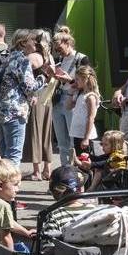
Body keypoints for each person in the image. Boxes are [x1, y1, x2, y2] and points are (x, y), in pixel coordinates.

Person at [0, 29, 47, 167]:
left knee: (4, 154)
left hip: (1, 112)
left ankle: (1, 184)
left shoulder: (8, 58)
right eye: (32, 40)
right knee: (14, 155)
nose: (35, 43)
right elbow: (30, 87)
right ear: (23, 42)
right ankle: (10, 186)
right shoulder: (22, 60)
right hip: (15, 111)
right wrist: (43, 77)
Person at [24, 30, 58, 180]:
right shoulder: (49, 56)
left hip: (37, 96)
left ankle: (37, 171)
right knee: (46, 132)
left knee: (35, 131)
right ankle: (47, 169)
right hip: (47, 96)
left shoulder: (33, 57)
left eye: (30, 38)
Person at [50, 32, 87, 167]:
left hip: (73, 100)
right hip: (57, 99)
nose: (58, 51)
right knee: (61, 142)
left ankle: (75, 171)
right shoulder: (59, 59)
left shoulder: (81, 59)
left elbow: (87, 84)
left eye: (59, 48)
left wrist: (70, 80)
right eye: (56, 49)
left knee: (73, 140)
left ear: (68, 43)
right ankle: (65, 170)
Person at [38, 165, 95, 238]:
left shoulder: (53, 215)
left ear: (54, 192)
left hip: (65, 249)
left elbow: (49, 244)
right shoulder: (93, 210)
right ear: (81, 190)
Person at [65, 65, 100, 168]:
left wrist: (86, 138)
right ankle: (82, 182)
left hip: (85, 135)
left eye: (77, 79)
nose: (75, 82)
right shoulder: (79, 93)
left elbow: (90, 117)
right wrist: (71, 92)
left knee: (85, 162)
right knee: (79, 162)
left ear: (85, 79)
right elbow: (68, 106)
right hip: (77, 133)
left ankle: (88, 183)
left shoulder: (91, 97)